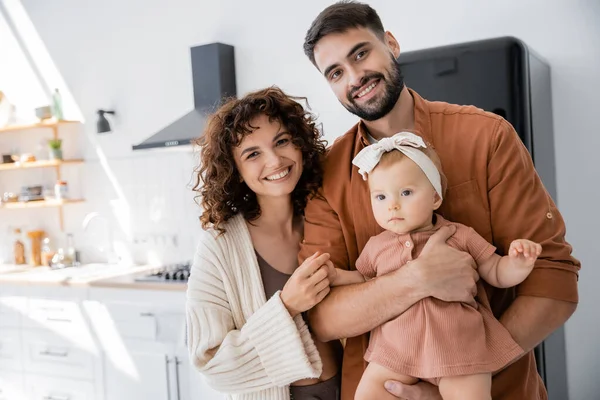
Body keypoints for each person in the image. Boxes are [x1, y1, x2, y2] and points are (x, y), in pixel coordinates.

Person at [300, 2, 580, 400]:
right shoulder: (326, 177)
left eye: (361, 53)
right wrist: (417, 279)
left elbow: (554, 284)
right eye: (336, 72)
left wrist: (462, 373)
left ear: (391, 44)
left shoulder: (487, 137)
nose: (355, 77)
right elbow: (322, 317)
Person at [327, 131, 542, 400]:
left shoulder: (459, 235)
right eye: (380, 197)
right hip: (397, 349)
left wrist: (519, 263)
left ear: (435, 198)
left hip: (460, 347)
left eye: (406, 192)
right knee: (368, 395)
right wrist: (335, 276)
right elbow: (363, 281)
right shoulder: (377, 246)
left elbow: (496, 272)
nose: (392, 205)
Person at [186, 86, 342, 400]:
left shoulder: (330, 216)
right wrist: (288, 306)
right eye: (253, 153)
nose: (274, 160)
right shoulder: (219, 247)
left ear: (300, 145)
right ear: (236, 170)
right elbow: (212, 365)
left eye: (282, 141)